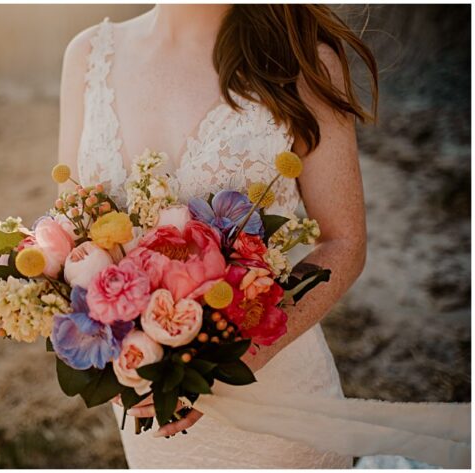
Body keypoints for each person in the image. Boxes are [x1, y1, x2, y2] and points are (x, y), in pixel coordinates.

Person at [58, 5, 468, 468]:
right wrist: (121, 355)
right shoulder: (89, 54)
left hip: (275, 401)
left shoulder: (300, 59)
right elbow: (75, 227)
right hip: (146, 403)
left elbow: (343, 241)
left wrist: (238, 358)